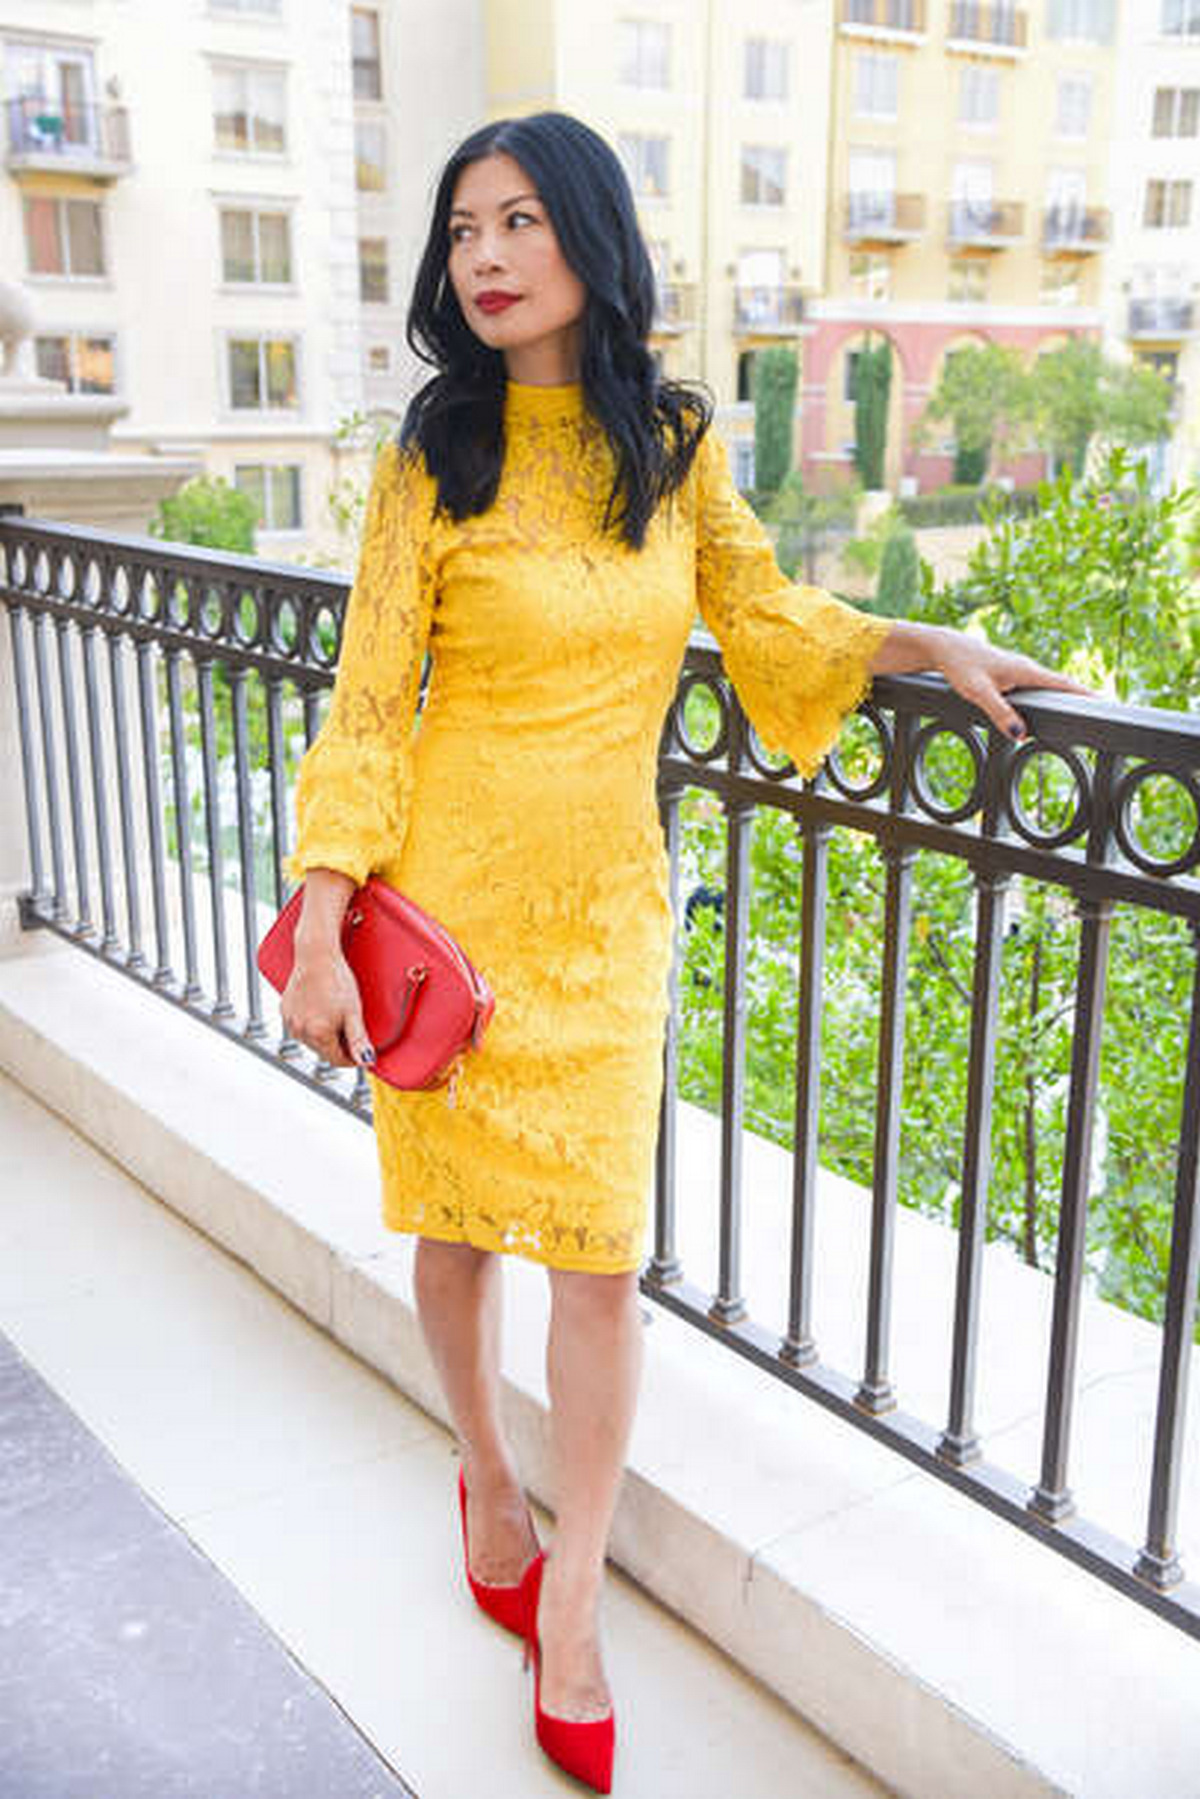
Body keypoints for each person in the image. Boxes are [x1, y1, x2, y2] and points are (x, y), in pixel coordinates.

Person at [280, 111, 1092, 1794]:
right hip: (442, 905)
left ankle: (570, 1597)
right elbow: (370, 699)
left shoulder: (673, 435)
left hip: (603, 917)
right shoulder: (429, 452)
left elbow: (766, 616)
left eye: (515, 222)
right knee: (449, 1231)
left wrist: (924, 639)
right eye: (459, 232)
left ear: (586, 235)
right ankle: (487, 1479)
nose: (485, 258)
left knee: (599, 1261)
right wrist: (329, 918)